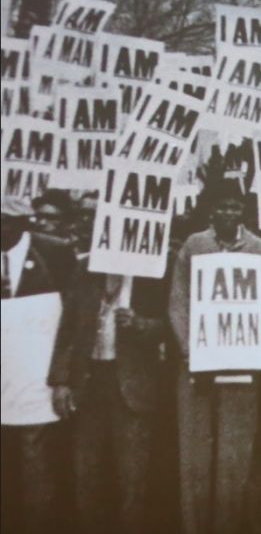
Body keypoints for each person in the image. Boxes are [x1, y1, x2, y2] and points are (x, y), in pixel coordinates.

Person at [49, 211, 170, 534]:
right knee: (85, 472)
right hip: (89, 384)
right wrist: (61, 380)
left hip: (132, 387)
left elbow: (173, 326)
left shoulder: (153, 274)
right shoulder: (85, 270)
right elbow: (68, 329)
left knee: (132, 476)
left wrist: (141, 324)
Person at [168, 179, 261, 534]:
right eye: (222, 207)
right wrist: (190, 351)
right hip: (196, 364)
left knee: (234, 452)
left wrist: (247, 347)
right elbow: (178, 302)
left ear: (243, 211)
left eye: (235, 207)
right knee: (194, 452)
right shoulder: (194, 245)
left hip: (241, 366)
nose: (229, 213)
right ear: (211, 210)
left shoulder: (258, 248)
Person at [1, 197, 66, 534]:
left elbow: (74, 320)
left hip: (37, 379)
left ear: (23, 221)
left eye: (4, 221)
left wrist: (63, 376)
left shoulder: (54, 253)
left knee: (35, 467)